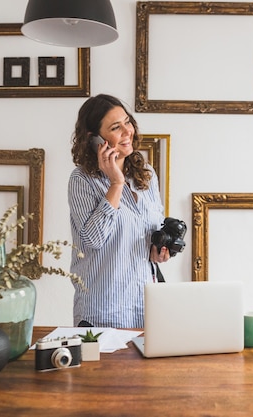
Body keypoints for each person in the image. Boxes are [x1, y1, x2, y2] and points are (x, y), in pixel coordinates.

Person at [68, 94, 170, 328]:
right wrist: (116, 183)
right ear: (94, 139)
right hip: (102, 311)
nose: (127, 131)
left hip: (145, 310)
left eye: (127, 121)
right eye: (116, 127)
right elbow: (92, 239)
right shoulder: (82, 180)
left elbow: (154, 229)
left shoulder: (147, 175)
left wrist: (160, 250)